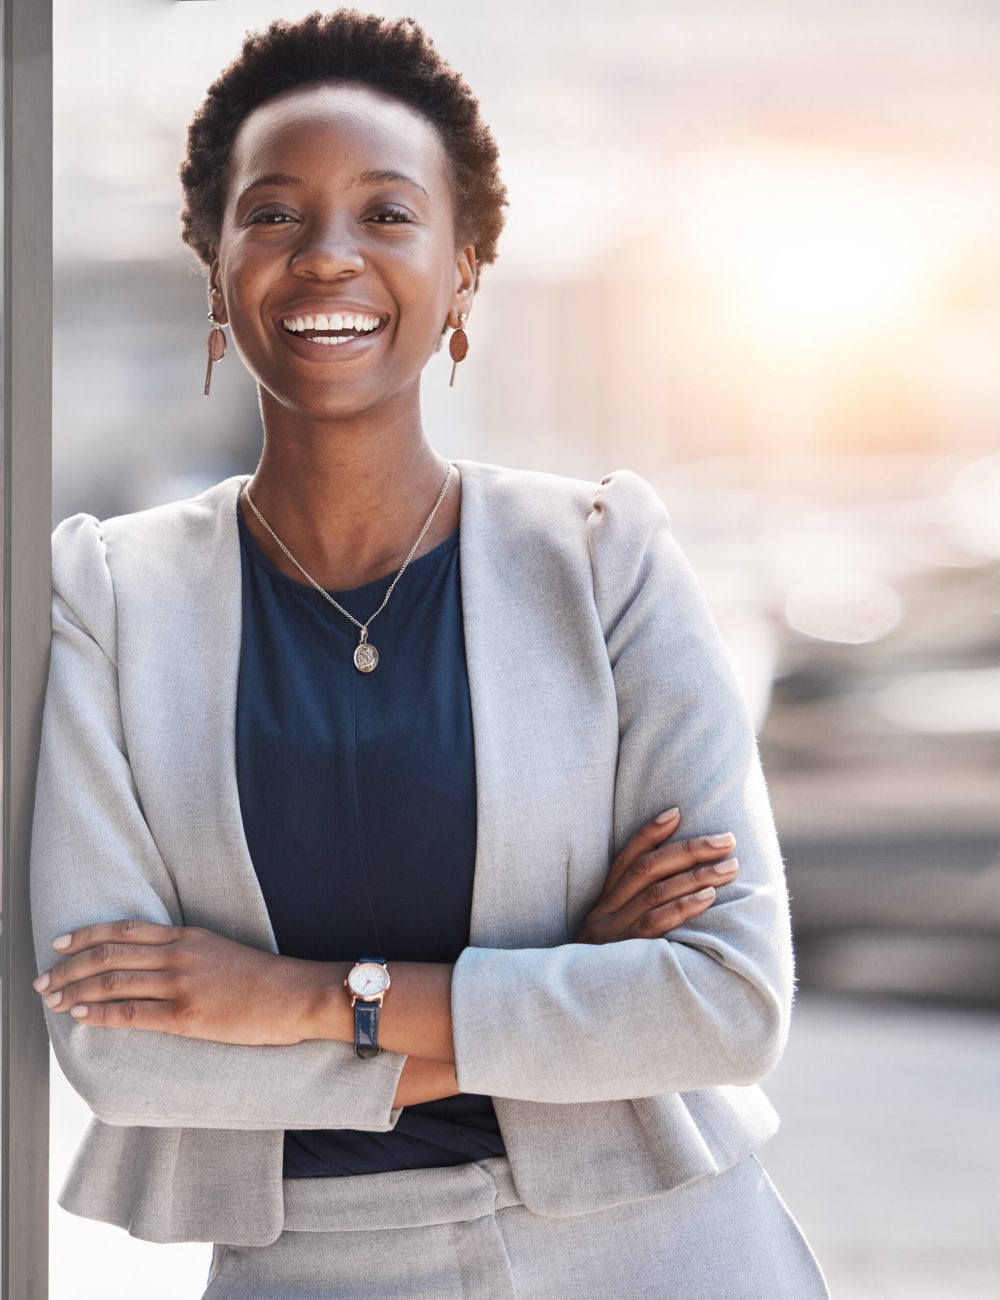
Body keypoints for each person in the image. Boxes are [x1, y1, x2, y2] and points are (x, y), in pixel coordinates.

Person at [29, 8, 830, 1297]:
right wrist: (566, 984)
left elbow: (725, 1002)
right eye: (275, 213)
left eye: (388, 214)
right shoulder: (108, 597)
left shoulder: (602, 558)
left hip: (658, 1247)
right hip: (316, 1267)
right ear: (215, 263)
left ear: (464, 270)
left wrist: (302, 997)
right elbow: (125, 1051)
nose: (328, 255)